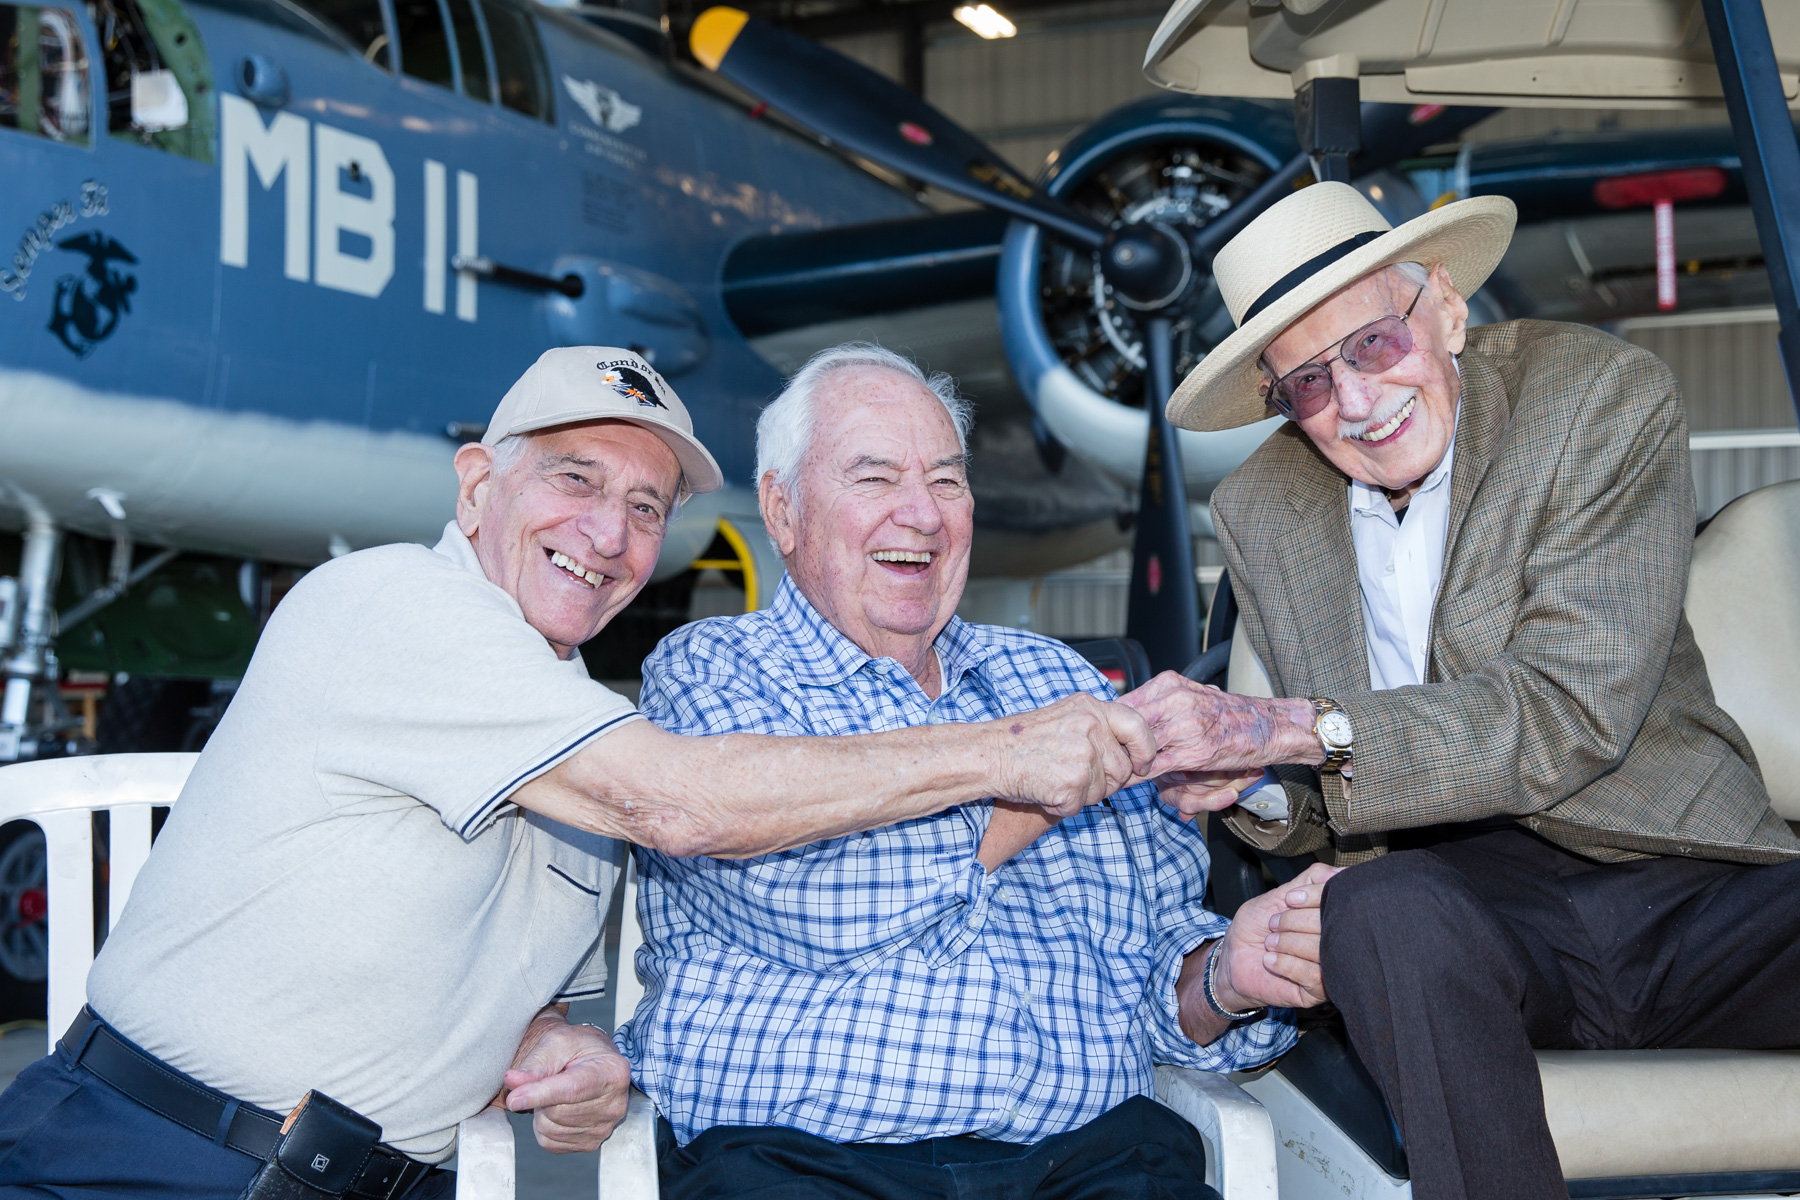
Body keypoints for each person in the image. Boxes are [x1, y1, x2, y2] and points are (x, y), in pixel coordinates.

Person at [0, 348, 1157, 1200]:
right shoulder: (395, 606)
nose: (608, 532)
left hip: (385, 1184)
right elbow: (685, 804)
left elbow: (488, 946)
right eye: (574, 478)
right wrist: (1014, 752)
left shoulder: (577, 726)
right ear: (475, 487)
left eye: (645, 506)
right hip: (149, 1159)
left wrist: (562, 1037)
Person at [1123, 183, 1800, 1200]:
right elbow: (1309, 808)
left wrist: (1291, 724)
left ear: (1444, 306)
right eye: (1304, 383)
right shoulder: (1262, 506)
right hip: (1464, 917)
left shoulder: (1595, 400)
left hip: (1682, 882)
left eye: (1372, 345)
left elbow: (1569, 716)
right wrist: (1253, 778)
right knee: (1377, 909)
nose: (1353, 402)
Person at [620, 343, 1337, 1200]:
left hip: (1087, 1160)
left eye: (948, 481)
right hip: (803, 1161)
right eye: (875, 479)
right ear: (783, 511)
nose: (921, 515)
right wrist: (1023, 774)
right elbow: (820, 900)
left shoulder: (1059, 682)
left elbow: (1149, 966)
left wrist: (1224, 976)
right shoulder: (709, 673)